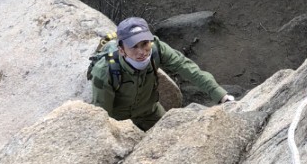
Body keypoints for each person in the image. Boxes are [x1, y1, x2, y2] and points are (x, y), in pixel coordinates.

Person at [90, 17, 234, 131]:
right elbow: (103, 114)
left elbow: (186, 67)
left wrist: (220, 94)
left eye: (145, 43)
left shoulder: (156, 48)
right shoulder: (106, 71)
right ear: (121, 50)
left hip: (149, 111)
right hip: (119, 120)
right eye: (134, 46)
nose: (142, 52)